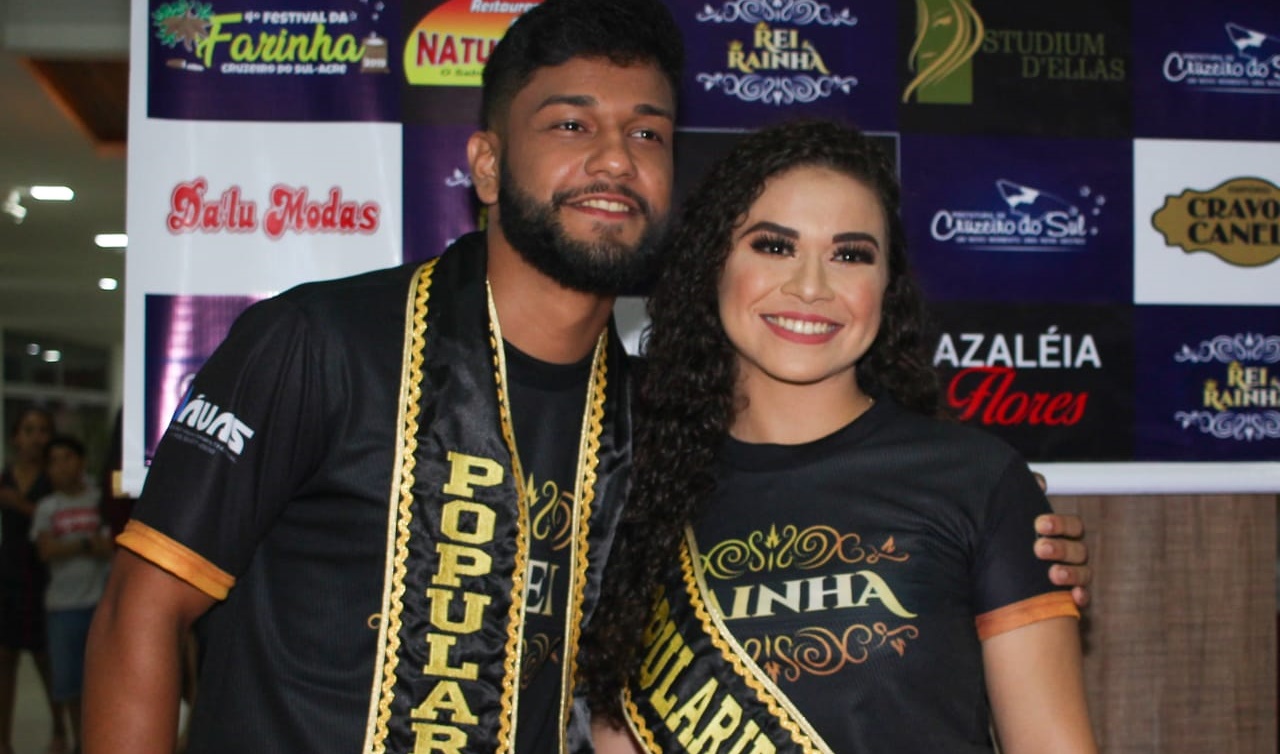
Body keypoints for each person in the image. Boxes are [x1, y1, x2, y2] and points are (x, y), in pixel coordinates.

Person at [84, 3, 1091, 752]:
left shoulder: (655, 425)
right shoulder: (319, 341)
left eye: (646, 133)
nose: (614, 160)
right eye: (571, 124)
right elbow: (140, 610)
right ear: (486, 164)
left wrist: (998, 531)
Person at [586, 120, 1097, 753]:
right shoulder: (632, 488)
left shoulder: (976, 478)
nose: (810, 286)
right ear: (712, 263)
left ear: (887, 285)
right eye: (774, 246)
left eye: (850, 255)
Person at [30, 435, 112, 754]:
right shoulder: (46, 507)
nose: (61, 466)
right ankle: (81, 743)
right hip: (62, 606)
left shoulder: (101, 500)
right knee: (69, 683)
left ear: (82, 461)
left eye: (67, 458)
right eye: (53, 461)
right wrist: (86, 543)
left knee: (101, 681)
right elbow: (46, 550)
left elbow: (109, 545)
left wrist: (70, 545)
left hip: (98, 604)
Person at [0, 407, 69, 754]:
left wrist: (20, 506)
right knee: (5, 660)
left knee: (46, 660)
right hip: (7, 572)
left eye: (42, 430)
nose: (35, 438)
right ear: (16, 437)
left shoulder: (54, 476)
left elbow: (61, 522)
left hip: (43, 576)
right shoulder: (5, 476)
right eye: (28, 430)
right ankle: (3, 739)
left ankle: (59, 730)